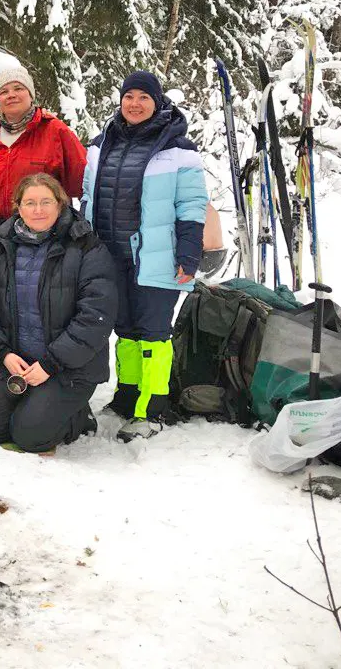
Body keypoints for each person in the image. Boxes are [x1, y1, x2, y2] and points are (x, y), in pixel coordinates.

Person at [82, 70, 209, 442]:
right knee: (125, 330)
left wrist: (188, 253)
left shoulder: (178, 149)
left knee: (153, 332)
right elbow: (88, 196)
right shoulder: (100, 144)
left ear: (157, 102)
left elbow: (192, 204)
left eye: (143, 98)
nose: (135, 104)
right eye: (129, 97)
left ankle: (152, 407)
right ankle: (127, 395)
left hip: (157, 255)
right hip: (110, 253)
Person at [0, 174, 117, 453]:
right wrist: (2, 353)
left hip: (67, 367)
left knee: (30, 436)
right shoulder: (3, 247)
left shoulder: (85, 247)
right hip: (16, 362)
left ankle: (76, 416)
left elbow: (95, 316)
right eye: (30, 203)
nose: (38, 210)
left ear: (60, 204)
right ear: (18, 208)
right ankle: (36, 404)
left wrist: (52, 363)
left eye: (46, 202)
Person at [0, 66, 87, 265]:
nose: (11, 95)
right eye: (4, 91)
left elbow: (84, 185)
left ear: (31, 94)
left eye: (18, 88)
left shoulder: (55, 132)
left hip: (45, 245)